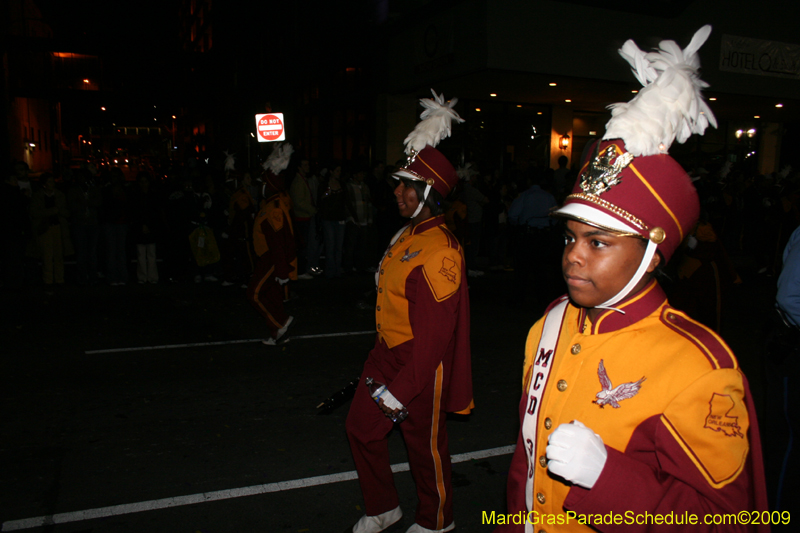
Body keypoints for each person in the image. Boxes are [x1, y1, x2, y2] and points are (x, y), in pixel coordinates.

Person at [496, 26, 768, 532]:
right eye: (570, 237)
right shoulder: (550, 323)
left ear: (651, 253)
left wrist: (607, 480)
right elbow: (525, 465)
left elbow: (730, 521)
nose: (573, 256)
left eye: (598, 242)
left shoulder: (698, 367)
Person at [345, 90, 472, 533]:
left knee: (424, 446)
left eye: (406, 185)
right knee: (361, 428)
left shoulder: (442, 250)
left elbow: (436, 339)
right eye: (398, 183)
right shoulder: (406, 234)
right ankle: (383, 507)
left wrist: (404, 388)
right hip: (386, 354)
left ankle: (438, 521)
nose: (397, 191)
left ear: (427, 192)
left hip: (420, 363)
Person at [247, 143, 297, 346]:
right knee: (270, 295)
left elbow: (277, 242)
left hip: (271, 258)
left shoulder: (274, 208)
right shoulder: (273, 202)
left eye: (264, 184)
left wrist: (282, 272)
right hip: (269, 257)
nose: (261, 187)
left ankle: (280, 323)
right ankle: (278, 332)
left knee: (254, 294)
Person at [318, 164, 347, 278]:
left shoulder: (342, 185)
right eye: (337, 170)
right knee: (330, 245)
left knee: (339, 246)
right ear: (331, 171)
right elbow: (319, 199)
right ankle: (330, 270)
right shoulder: (324, 185)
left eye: (340, 171)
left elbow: (346, 200)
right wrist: (326, 194)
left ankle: (337, 270)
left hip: (340, 218)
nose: (338, 173)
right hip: (328, 218)